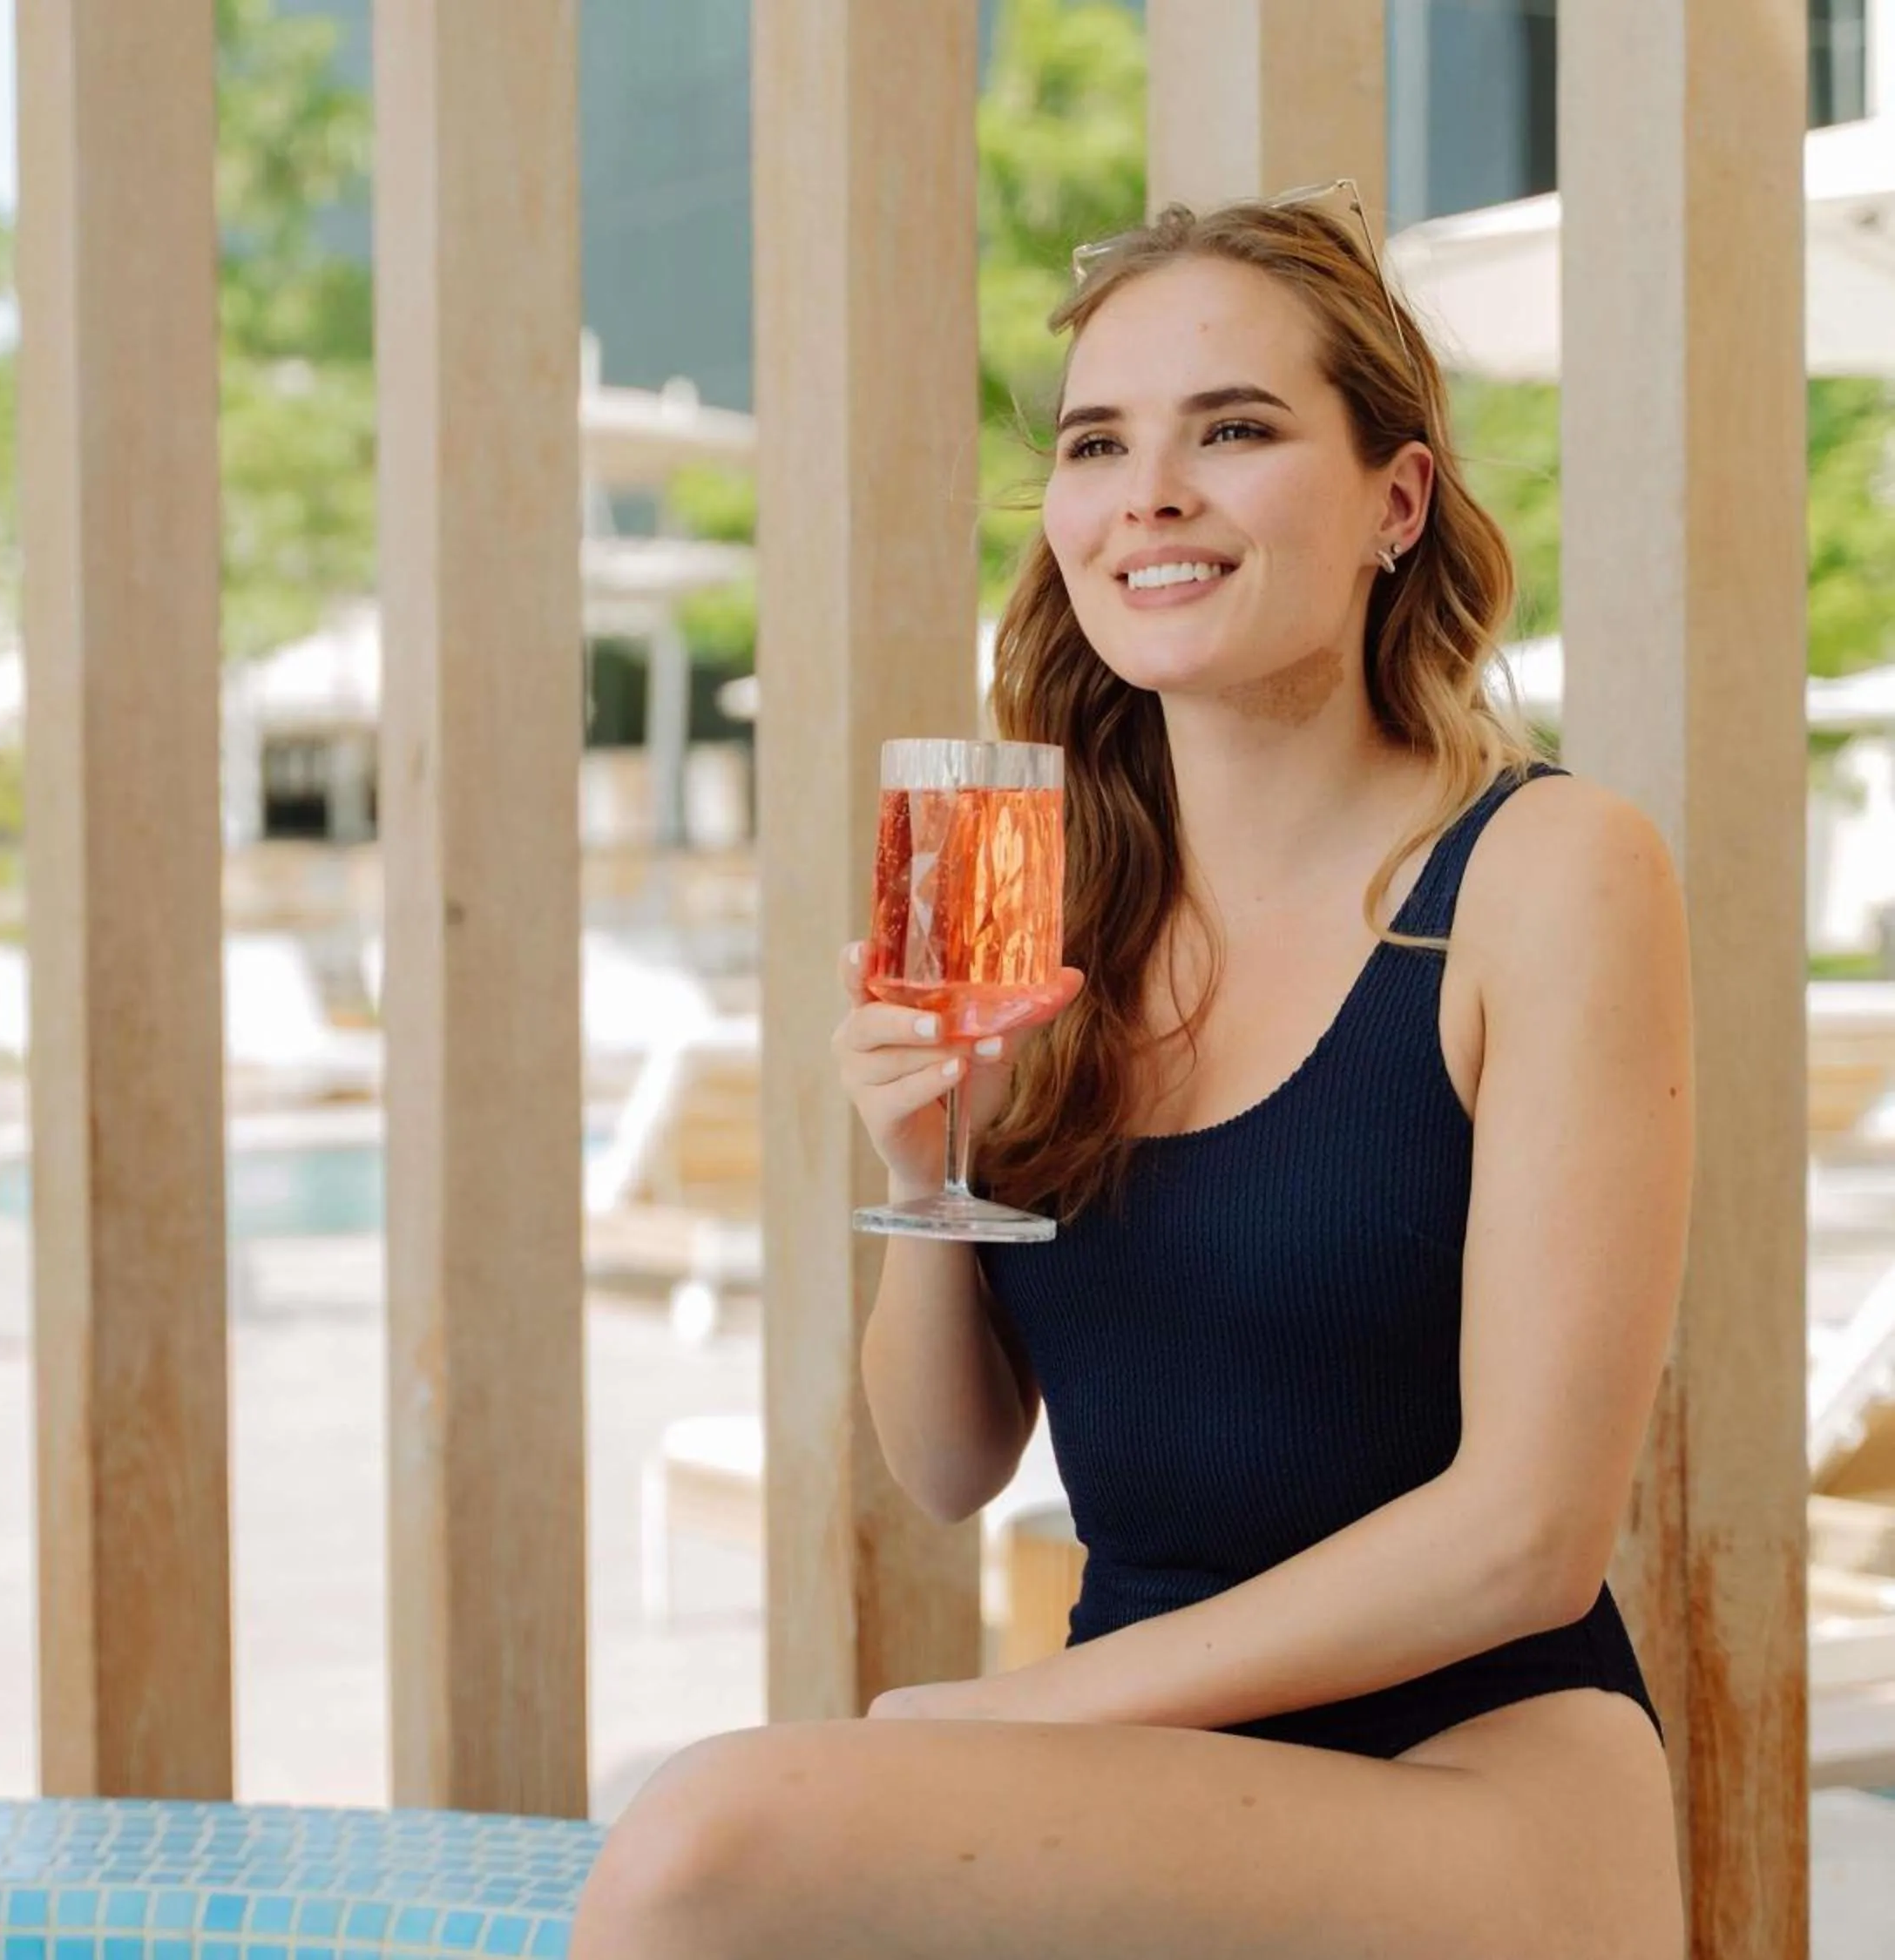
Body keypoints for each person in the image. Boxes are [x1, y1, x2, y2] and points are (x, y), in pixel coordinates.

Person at [570, 184, 1691, 1959]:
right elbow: (947, 1466)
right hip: (1148, 1775)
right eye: (1098, 443)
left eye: (1233, 431)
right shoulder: (1056, 904)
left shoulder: (1545, 876)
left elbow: (1526, 1540)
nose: (1148, 491)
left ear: (1394, 501)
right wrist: (936, 1156)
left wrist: (1009, 1718)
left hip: (1481, 1802)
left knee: (709, 1842)